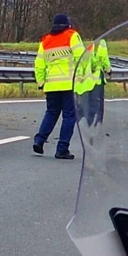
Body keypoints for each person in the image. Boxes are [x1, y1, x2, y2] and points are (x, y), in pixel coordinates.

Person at [32, 13, 84, 160]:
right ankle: (62, 149)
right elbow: (82, 57)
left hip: (51, 84)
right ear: (67, 24)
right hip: (69, 83)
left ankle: (39, 140)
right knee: (69, 116)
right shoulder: (72, 36)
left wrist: (41, 82)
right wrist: (82, 78)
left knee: (51, 113)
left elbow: (39, 64)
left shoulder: (45, 40)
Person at [75, 37, 111, 126]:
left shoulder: (87, 46)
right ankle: (97, 121)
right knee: (98, 102)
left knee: (88, 101)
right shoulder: (102, 43)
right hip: (98, 79)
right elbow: (103, 57)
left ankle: (86, 119)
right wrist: (108, 69)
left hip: (87, 80)